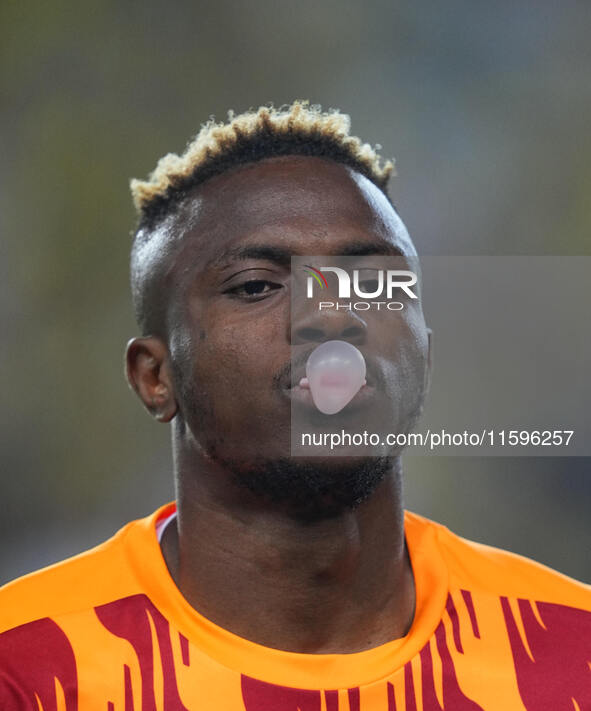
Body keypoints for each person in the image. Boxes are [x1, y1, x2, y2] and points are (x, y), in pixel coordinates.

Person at [0, 101, 589, 710]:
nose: (333, 314)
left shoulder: (574, 649)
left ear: (425, 354)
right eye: (257, 286)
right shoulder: (26, 667)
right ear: (156, 377)